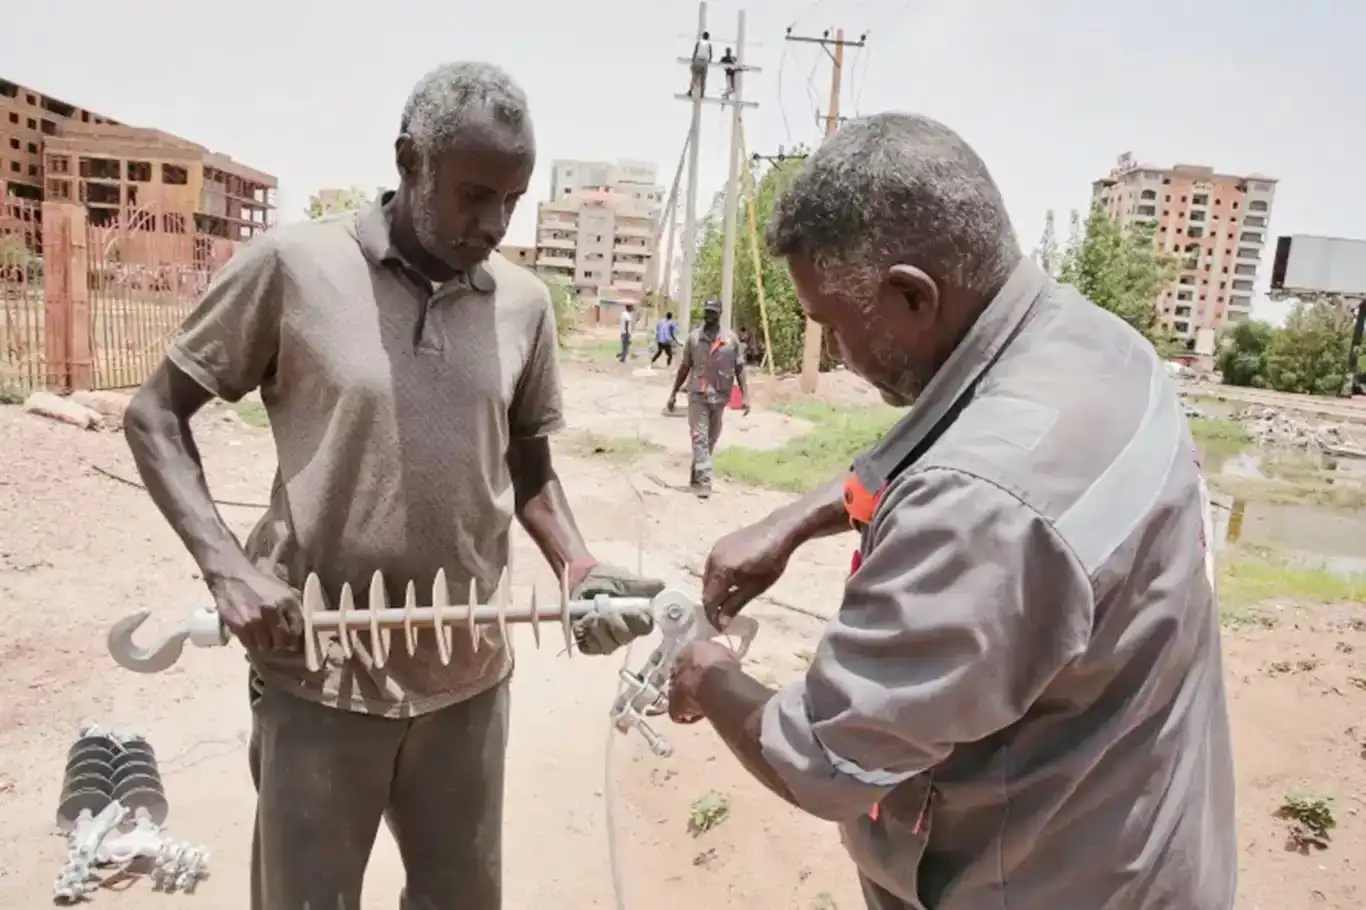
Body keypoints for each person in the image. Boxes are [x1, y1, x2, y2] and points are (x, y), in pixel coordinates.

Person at [122, 61, 661, 910]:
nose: (493, 224)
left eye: (511, 202)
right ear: (410, 161)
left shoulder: (523, 303)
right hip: (318, 675)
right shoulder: (293, 267)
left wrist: (578, 566)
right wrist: (227, 569)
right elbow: (155, 415)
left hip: (469, 677)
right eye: (473, 195)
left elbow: (529, 471)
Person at [668, 113, 1235, 909]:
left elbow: (824, 760)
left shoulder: (978, 503)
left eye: (832, 325)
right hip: (1141, 849)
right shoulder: (1096, 348)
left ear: (910, 295)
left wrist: (709, 675)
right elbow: (937, 452)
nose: (835, 353)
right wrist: (792, 523)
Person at [666, 299, 748, 499]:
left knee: (710, 440)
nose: (709, 315)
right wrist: (673, 393)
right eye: (706, 312)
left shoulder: (731, 340)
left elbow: (740, 368)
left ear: (719, 314)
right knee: (699, 437)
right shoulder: (694, 338)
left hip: (720, 397)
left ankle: (696, 476)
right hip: (698, 395)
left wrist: (745, 395)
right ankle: (704, 482)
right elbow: (684, 368)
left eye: (713, 312)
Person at [688, 30, 713, 98]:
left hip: (697, 60)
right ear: (708, 37)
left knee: (694, 77)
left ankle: (690, 90)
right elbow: (711, 55)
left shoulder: (699, 43)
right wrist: (709, 60)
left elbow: (695, 52)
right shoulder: (709, 44)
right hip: (704, 61)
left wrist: (693, 60)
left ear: (702, 36)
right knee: (703, 79)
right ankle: (702, 94)